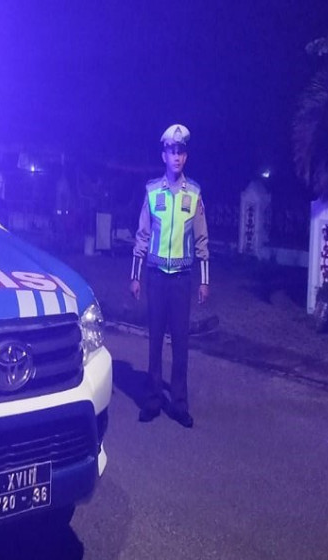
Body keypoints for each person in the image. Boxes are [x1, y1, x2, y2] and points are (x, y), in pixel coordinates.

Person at [129, 123, 209, 427]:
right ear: (163, 155)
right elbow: (142, 235)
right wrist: (135, 276)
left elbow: (201, 238)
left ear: (185, 157)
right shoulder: (152, 191)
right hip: (155, 277)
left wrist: (204, 281)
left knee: (180, 343)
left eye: (181, 152)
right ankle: (152, 400)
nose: (176, 157)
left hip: (181, 279)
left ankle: (179, 404)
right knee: (154, 342)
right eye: (172, 151)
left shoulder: (195, 193)